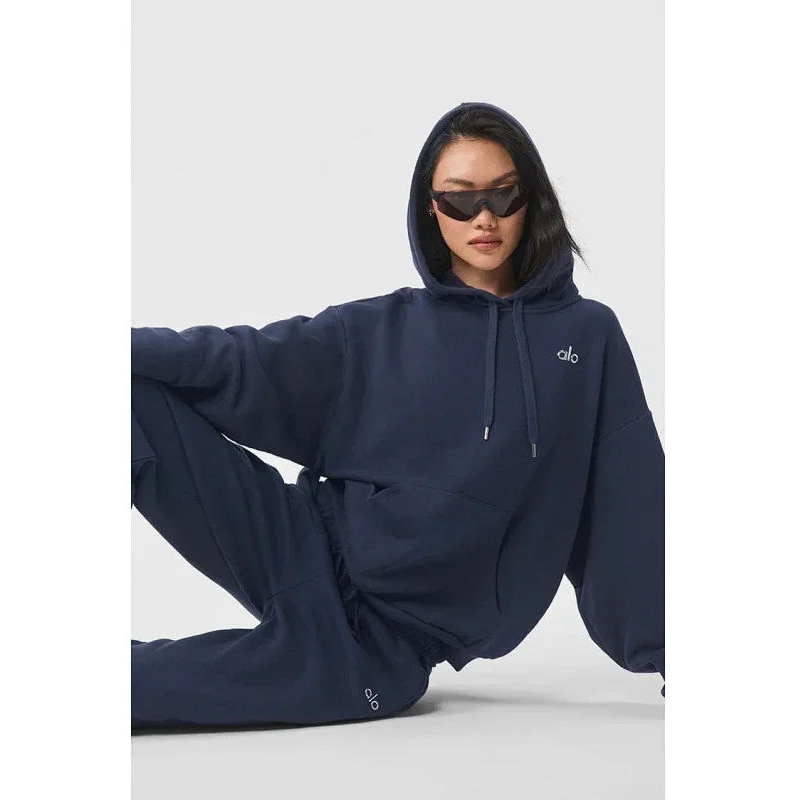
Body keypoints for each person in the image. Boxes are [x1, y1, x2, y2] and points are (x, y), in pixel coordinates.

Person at [131, 100, 665, 730]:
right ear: (431, 208)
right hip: (293, 540)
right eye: (460, 199)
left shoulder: (585, 338)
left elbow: (629, 506)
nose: (484, 217)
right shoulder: (382, 326)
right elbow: (238, 361)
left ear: (532, 199)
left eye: (503, 194)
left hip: (375, 646)